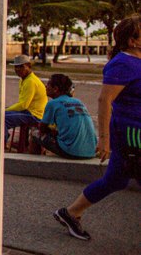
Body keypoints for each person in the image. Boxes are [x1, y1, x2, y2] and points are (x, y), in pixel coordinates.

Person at [54, 15, 141, 241]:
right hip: (131, 134)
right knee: (117, 178)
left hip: (133, 132)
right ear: (133, 41)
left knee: (116, 180)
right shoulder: (124, 63)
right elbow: (104, 101)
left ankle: (71, 212)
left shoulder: (136, 61)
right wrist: (104, 139)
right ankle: (72, 212)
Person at [0, 54, 48, 147]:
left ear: (29, 66)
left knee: (2, 116)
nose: (18, 70)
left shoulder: (31, 81)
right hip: (29, 111)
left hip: (34, 114)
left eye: (21, 67)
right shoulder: (24, 80)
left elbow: (23, 105)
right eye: (16, 67)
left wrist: (6, 110)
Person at [30, 73, 96, 159]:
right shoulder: (78, 102)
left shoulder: (53, 103)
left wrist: (50, 131)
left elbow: (42, 128)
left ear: (55, 89)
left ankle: (34, 164)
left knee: (34, 133)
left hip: (71, 151)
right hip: (91, 151)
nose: (46, 86)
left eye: (48, 84)